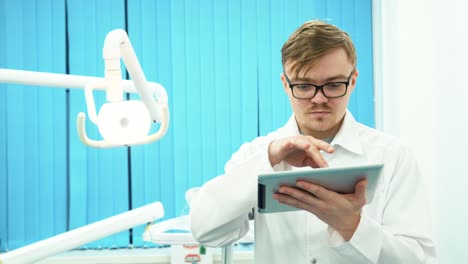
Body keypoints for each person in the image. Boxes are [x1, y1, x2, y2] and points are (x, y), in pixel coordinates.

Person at [190, 20, 436, 263]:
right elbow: (205, 230)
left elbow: (419, 259)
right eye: (305, 86)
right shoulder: (256, 154)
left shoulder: (392, 156)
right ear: (286, 84)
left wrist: (352, 225)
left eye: (333, 84)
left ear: (353, 81)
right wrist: (269, 159)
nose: (319, 99)